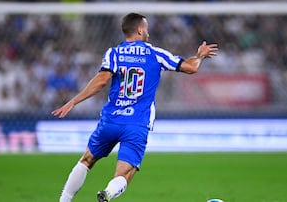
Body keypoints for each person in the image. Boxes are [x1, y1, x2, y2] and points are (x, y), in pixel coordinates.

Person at [52, 12, 218, 202]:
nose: (148, 32)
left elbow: (101, 81)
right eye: (146, 28)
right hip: (137, 123)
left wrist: (74, 101)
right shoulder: (156, 54)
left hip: (111, 120)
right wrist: (200, 56)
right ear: (140, 30)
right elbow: (191, 68)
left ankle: (63, 201)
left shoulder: (114, 53)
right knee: (124, 173)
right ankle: (107, 193)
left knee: (86, 160)